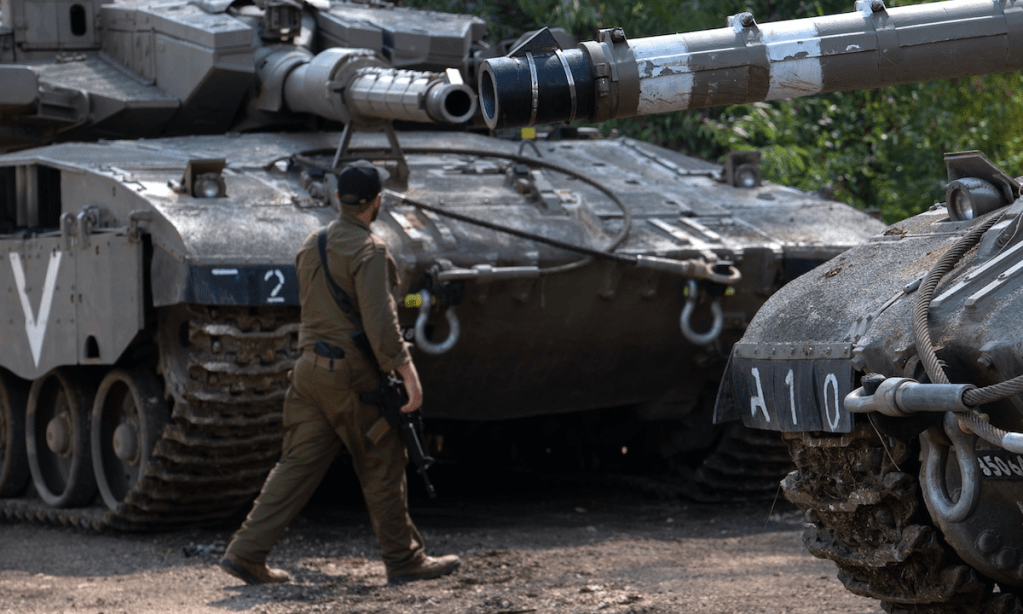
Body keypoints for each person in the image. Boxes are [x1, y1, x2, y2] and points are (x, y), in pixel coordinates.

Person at [219, 162, 460, 585]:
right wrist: (407, 370)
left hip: (309, 373)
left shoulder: (313, 243)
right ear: (377, 203)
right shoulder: (370, 250)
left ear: (337, 199)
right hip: (351, 377)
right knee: (384, 457)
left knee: (295, 465)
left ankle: (246, 552)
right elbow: (381, 320)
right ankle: (404, 560)